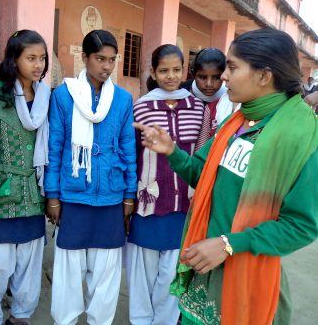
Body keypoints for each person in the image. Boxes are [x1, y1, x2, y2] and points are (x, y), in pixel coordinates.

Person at [135, 28, 318, 325]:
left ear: (263, 75)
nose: (223, 77)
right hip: (206, 272)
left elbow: (301, 226)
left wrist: (229, 244)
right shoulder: (237, 123)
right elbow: (205, 178)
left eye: (232, 67)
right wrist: (173, 153)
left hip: (247, 277)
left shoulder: (302, 136)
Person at [45, 29, 137, 325]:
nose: (107, 67)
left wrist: (129, 194)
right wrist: (53, 195)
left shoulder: (122, 99)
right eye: (100, 59)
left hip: (111, 191)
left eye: (112, 60)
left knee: (107, 270)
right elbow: (55, 145)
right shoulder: (63, 95)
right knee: (70, 267)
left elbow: (127, 148)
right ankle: (66, 320)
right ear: (84, 58)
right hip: (74, 190)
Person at [126, 44, 204, 325]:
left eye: (176, 70)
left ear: (184, 71)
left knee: (172, 270)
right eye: (163, 70)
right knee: (141, 270)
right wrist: (128, 196)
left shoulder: (198, 108)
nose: (170, 76)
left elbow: (202, 152)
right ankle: (140, 319)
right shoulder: (141, 106)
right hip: (149, 200)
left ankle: (164, 321)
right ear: (154, 72)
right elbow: (131, 152)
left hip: (185, 201)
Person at [0, 30, 50, 325]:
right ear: (14, 59)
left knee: (30, 262)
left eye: (42, 58)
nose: (38, 65)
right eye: (30, 58)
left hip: (34, 191)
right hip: (0, 192)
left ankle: (20, 316)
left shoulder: (46, 95)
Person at [182, 48, 234, 149]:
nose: (209, 84)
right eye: (202, 77)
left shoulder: (230, 98)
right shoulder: (182, 93)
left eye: (216, 77)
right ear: (193, 74)